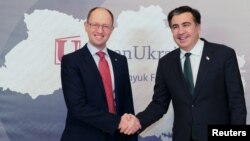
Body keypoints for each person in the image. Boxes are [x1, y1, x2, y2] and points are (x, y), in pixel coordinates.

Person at [120, 5, 247, 141]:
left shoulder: (223, 55)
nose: (181, 31)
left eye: (186, 25)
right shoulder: (166, 63)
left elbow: (237, 103)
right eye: (175, 27)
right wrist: (138, 121)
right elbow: (159, 104)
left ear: (198, 27)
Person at [60, 7, 138, 141]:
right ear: (86, 26)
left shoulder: (120, 60)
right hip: (83, 137)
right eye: (95, 25)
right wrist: (118, 122)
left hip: (117, 136)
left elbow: (127, 104)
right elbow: (77, 106)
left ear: (112, 29)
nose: (100, 31)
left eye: (106, 26)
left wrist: (130, 131)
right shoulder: (71, 61)